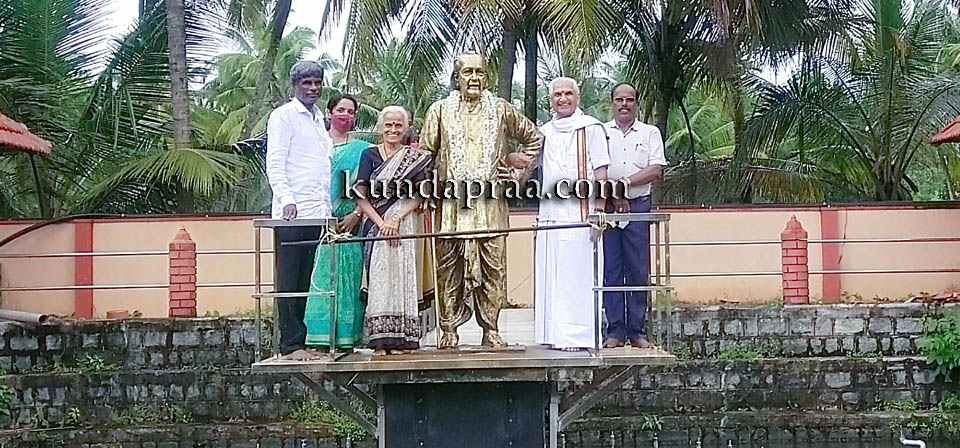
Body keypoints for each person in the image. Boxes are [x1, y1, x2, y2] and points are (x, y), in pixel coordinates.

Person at [419, 53, 541, 348]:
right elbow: (425, 154)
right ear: (456, 78)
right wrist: (428, 188)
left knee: (492, 270)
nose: (474, 78)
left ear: (486, 78)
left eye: (480, 73)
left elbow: (534, 138)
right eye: (468, 72)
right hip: (451, 207)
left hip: (491, 206)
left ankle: (491, 329)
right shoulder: (440, 110)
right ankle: (449, 330)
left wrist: (517, 172)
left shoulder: (500, 109)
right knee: (449, 270)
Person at [534, 77, 610, 351]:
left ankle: (577, 337)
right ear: (550, 100)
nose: (563, 99)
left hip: (581, 215)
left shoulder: (591, 128)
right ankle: (552, 334)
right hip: (550, 215)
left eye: (568, 94)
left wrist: (599, 210)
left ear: (577, 98)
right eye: (557, 95)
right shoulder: (543, 132)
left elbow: (601, 172)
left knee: (576, 277)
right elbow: (528, 164)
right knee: (552, 276)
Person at [265, 61, 333, 361]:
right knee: (289, 279)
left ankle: (300, 341)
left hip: (316, 211)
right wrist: (286, 198)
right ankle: (290, 344)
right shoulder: (283, 116)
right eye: (307, 83)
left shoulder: (319, 120)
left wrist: (327, 209)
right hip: (291, 213)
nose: (313, 88)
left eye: (317, 82)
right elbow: (275, 162)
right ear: (295, 85)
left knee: (305, 278)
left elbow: (321, 168)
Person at [355, 106, 432, 356]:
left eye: (398, 125)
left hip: (404, 224)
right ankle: (379, 342)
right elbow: (360, 196)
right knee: (380, 279)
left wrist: (397, 218)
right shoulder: (369, 155)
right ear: (381, 127)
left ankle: (402, 340)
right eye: (388, 124)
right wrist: (382, 223)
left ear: (406, 128)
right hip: (376, 226)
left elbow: (420, 195)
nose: (393, 129)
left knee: (403, 276)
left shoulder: (414, 158)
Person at [602, 83, 667, 349]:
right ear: (612, 104)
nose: (624, 104)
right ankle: (615, 331)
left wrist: (624, 185)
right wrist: (614, 195)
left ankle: (637, 332)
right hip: (607, 206)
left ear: (637, 104)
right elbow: (595, 168)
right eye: (619, 100)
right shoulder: (601, 133)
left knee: (638, 268)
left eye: (629, 100)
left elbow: (656, 169)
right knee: (611, 269)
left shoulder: (650, 133)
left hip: (639, 205)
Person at [304, 94, 370, 350]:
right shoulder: (315, 145)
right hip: (319, 224)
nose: (345, 115)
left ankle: (346, 340)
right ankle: (318, 340)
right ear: (329, 113)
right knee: (318, 280)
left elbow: (372, 187)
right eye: (340, 110)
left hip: (351, 226)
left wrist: (357, 214)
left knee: (349, 282)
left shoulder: (364, 150)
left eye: (350, 111)